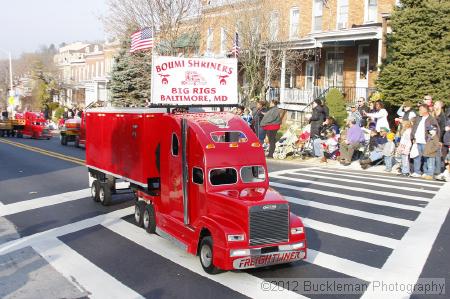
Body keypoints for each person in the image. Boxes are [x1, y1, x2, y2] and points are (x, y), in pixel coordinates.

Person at [411, 104, 440, 178]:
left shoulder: (431, 119)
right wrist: (413, 137)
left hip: (427, 141)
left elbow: (435, 129)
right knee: (417, 157)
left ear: (425, 110)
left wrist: (432, 139)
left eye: (420, 109)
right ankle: (418, 172)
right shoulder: (418, 118)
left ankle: (429, 173)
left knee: (428, 158)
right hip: (417, 141)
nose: (419, 111)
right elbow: (414, 128)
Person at [432, 101, 446, 175]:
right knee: (432, 154)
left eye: (436, 104)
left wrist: (440, 140)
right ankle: (433, 169)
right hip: (432, 137)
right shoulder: (434, 114)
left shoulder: (442, 116)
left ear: (440, 106)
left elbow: (443, 128)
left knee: (437, 155)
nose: (434, 106)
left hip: (438, 138)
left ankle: (438, 170)